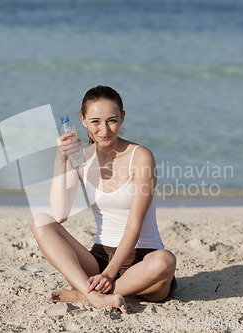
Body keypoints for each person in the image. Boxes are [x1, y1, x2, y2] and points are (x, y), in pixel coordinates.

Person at [30, 85, 176, 314]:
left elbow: (135, 224)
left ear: (122, 118)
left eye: (112, 120)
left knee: (165, 261)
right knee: (41, 221)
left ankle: (84, 294)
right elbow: (59, 215)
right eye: (96, 121)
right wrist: (61, 159)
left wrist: (109, 274)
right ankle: (97, 298)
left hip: (142, 259)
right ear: (83, 120)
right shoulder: (81, 159)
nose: (104, 130)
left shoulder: (141, 157)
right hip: (99, 258)